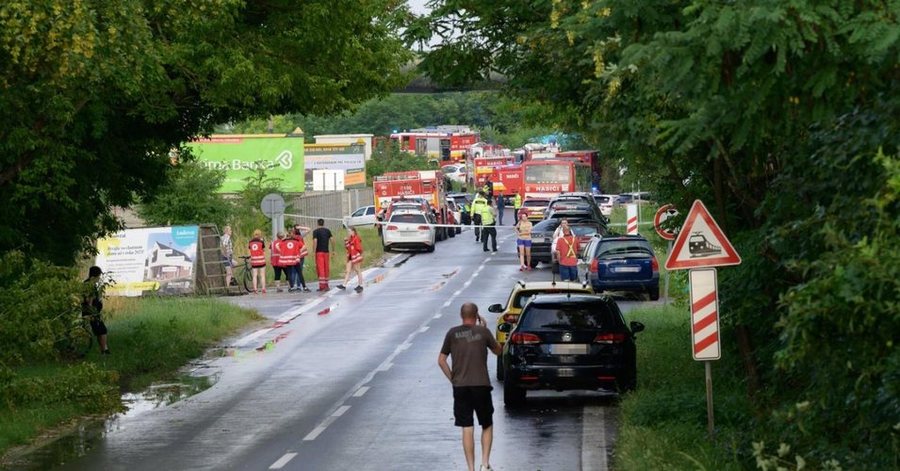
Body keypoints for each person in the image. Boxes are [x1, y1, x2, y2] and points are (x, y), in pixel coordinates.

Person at [438, 303, 502, 471]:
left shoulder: (452, 333)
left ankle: (471, 468)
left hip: (461, 387)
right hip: (481, 385)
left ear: (461, 315)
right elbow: (498, 351)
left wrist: (453, 378)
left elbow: (441, 360)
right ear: (477, 315)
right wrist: (485, 329)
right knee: (487, 424)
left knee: (467, 427)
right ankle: (484, 464)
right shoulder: (483, 332)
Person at [82, 266, 110, 354]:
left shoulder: (87, 283)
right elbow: (88, 300)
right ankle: (104, 350)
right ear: (94, 276)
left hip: (91, 311)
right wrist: (92, 312)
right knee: (102, 330)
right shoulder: (89, 285)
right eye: (99, 276)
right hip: (91, 312)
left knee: (99, 331)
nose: (99, 278)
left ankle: (103, 350)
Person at [336, 227, 364, 293]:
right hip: (350, 256)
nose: (348, 233)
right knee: (347, 271)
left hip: (355, 257)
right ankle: (344, 285)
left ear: (353, 231)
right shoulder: (351, 238)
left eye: (349, 231)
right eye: (348, 231)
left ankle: (360, 285)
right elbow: (348, 248)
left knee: (358, 270)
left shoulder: (356, 238)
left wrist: (356, 253)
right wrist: (346, 242)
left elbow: (359, 248)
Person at [312, 218, 335, 291]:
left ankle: (322, 286)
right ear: (323, 223)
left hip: (319, 252)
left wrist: (313, 251)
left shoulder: (315, 231)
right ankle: (327, 285)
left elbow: (315, 241)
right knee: (326, 268)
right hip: (326, 252)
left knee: (320, 268)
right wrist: (333, 250)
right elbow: (332, 240)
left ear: (317, 223)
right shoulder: (327, 231)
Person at [290, 226, 311, 292]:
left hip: (293, 255)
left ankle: (292, 286)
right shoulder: (300, 236)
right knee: (299, 271)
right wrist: (301, 227)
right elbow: (309, 229)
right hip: (300, 254)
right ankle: (299, 286)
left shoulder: (291, 237)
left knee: (293, 271)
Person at [248, 229, 267, 294]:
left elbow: (250, 250)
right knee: (262, 275)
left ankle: (255, 289)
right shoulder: (261, 242)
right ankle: (263, 289)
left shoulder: (250, 242)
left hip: (254, 260)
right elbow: (263, 250)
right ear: (259, 234)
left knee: (254, 275)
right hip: (261, 260)